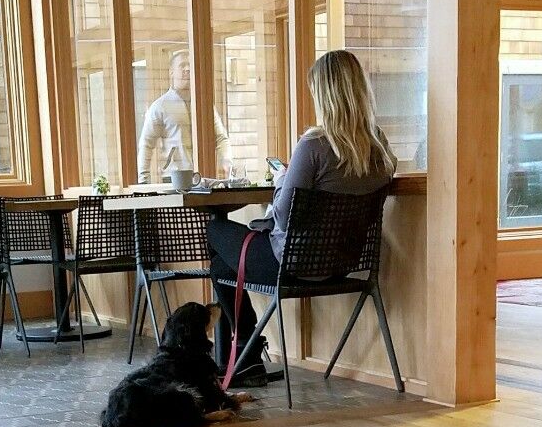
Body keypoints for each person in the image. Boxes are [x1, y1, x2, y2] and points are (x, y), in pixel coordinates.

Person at [207, 49, 397, 386]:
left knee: (216, 230)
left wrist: (281, 181)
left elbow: (283, 215)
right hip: (343, 266)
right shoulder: (380, 149)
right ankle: (244, 358)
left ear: (324, 95)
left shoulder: (313, 145)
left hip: (292, 265)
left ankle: (245, 357)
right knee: (223, 267)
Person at [137, 51, 231, 183]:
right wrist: (143, 180)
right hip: (175, 178)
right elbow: (146, 143)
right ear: (171, 72)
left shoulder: (204, 105)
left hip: (205, 177)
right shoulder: (160, 106)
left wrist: (227, 163)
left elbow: (221, 138)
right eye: (182, 65)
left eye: (190, 66)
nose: (187, 69)